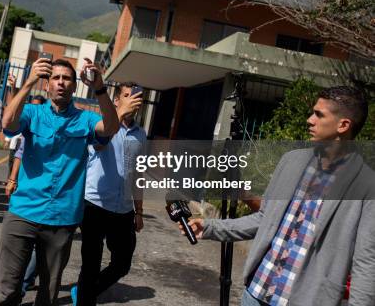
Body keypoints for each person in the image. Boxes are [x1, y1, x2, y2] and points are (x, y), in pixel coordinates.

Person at [178, 86, 374, 306]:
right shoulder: (292, 161)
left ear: (343, 125)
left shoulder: (366, 186)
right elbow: (264, 219)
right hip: (256, 292)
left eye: (319, 115)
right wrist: (211, 227)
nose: (310, 120)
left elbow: (366, 262)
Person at [0, 57, 120, 305]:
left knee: (47, 295)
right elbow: (7, 123)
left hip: (62, 218)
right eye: (56, 78)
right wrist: (29, 82)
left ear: (75, 86)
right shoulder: (32, 112)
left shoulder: (86, 119)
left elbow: (111, 127)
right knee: (6, 290)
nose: (61, 83)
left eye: (67, 79)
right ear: (47, 84)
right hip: (23, 212)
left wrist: (100, 88)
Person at [74, 82, 145, 305]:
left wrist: (139, 210)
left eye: (137, 96)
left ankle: (86, 292)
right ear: (116, 100)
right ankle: (86, 297)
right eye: (127, 95)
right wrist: (119, 114)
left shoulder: (140, 134)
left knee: (122, 263)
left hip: (123, 209)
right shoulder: (101, 125)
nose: (133, 99)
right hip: (95, 204)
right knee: (91, 264)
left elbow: (138, 173)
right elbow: (100, 146)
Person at [4, 95, 46, 298]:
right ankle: (17, 288)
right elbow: (20, 153)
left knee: (41, 250)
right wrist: (12, 179)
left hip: (53, 202)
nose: (32, 111)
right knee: (20, 248)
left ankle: (23, 285)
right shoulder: (27, 126)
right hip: (27, 196)